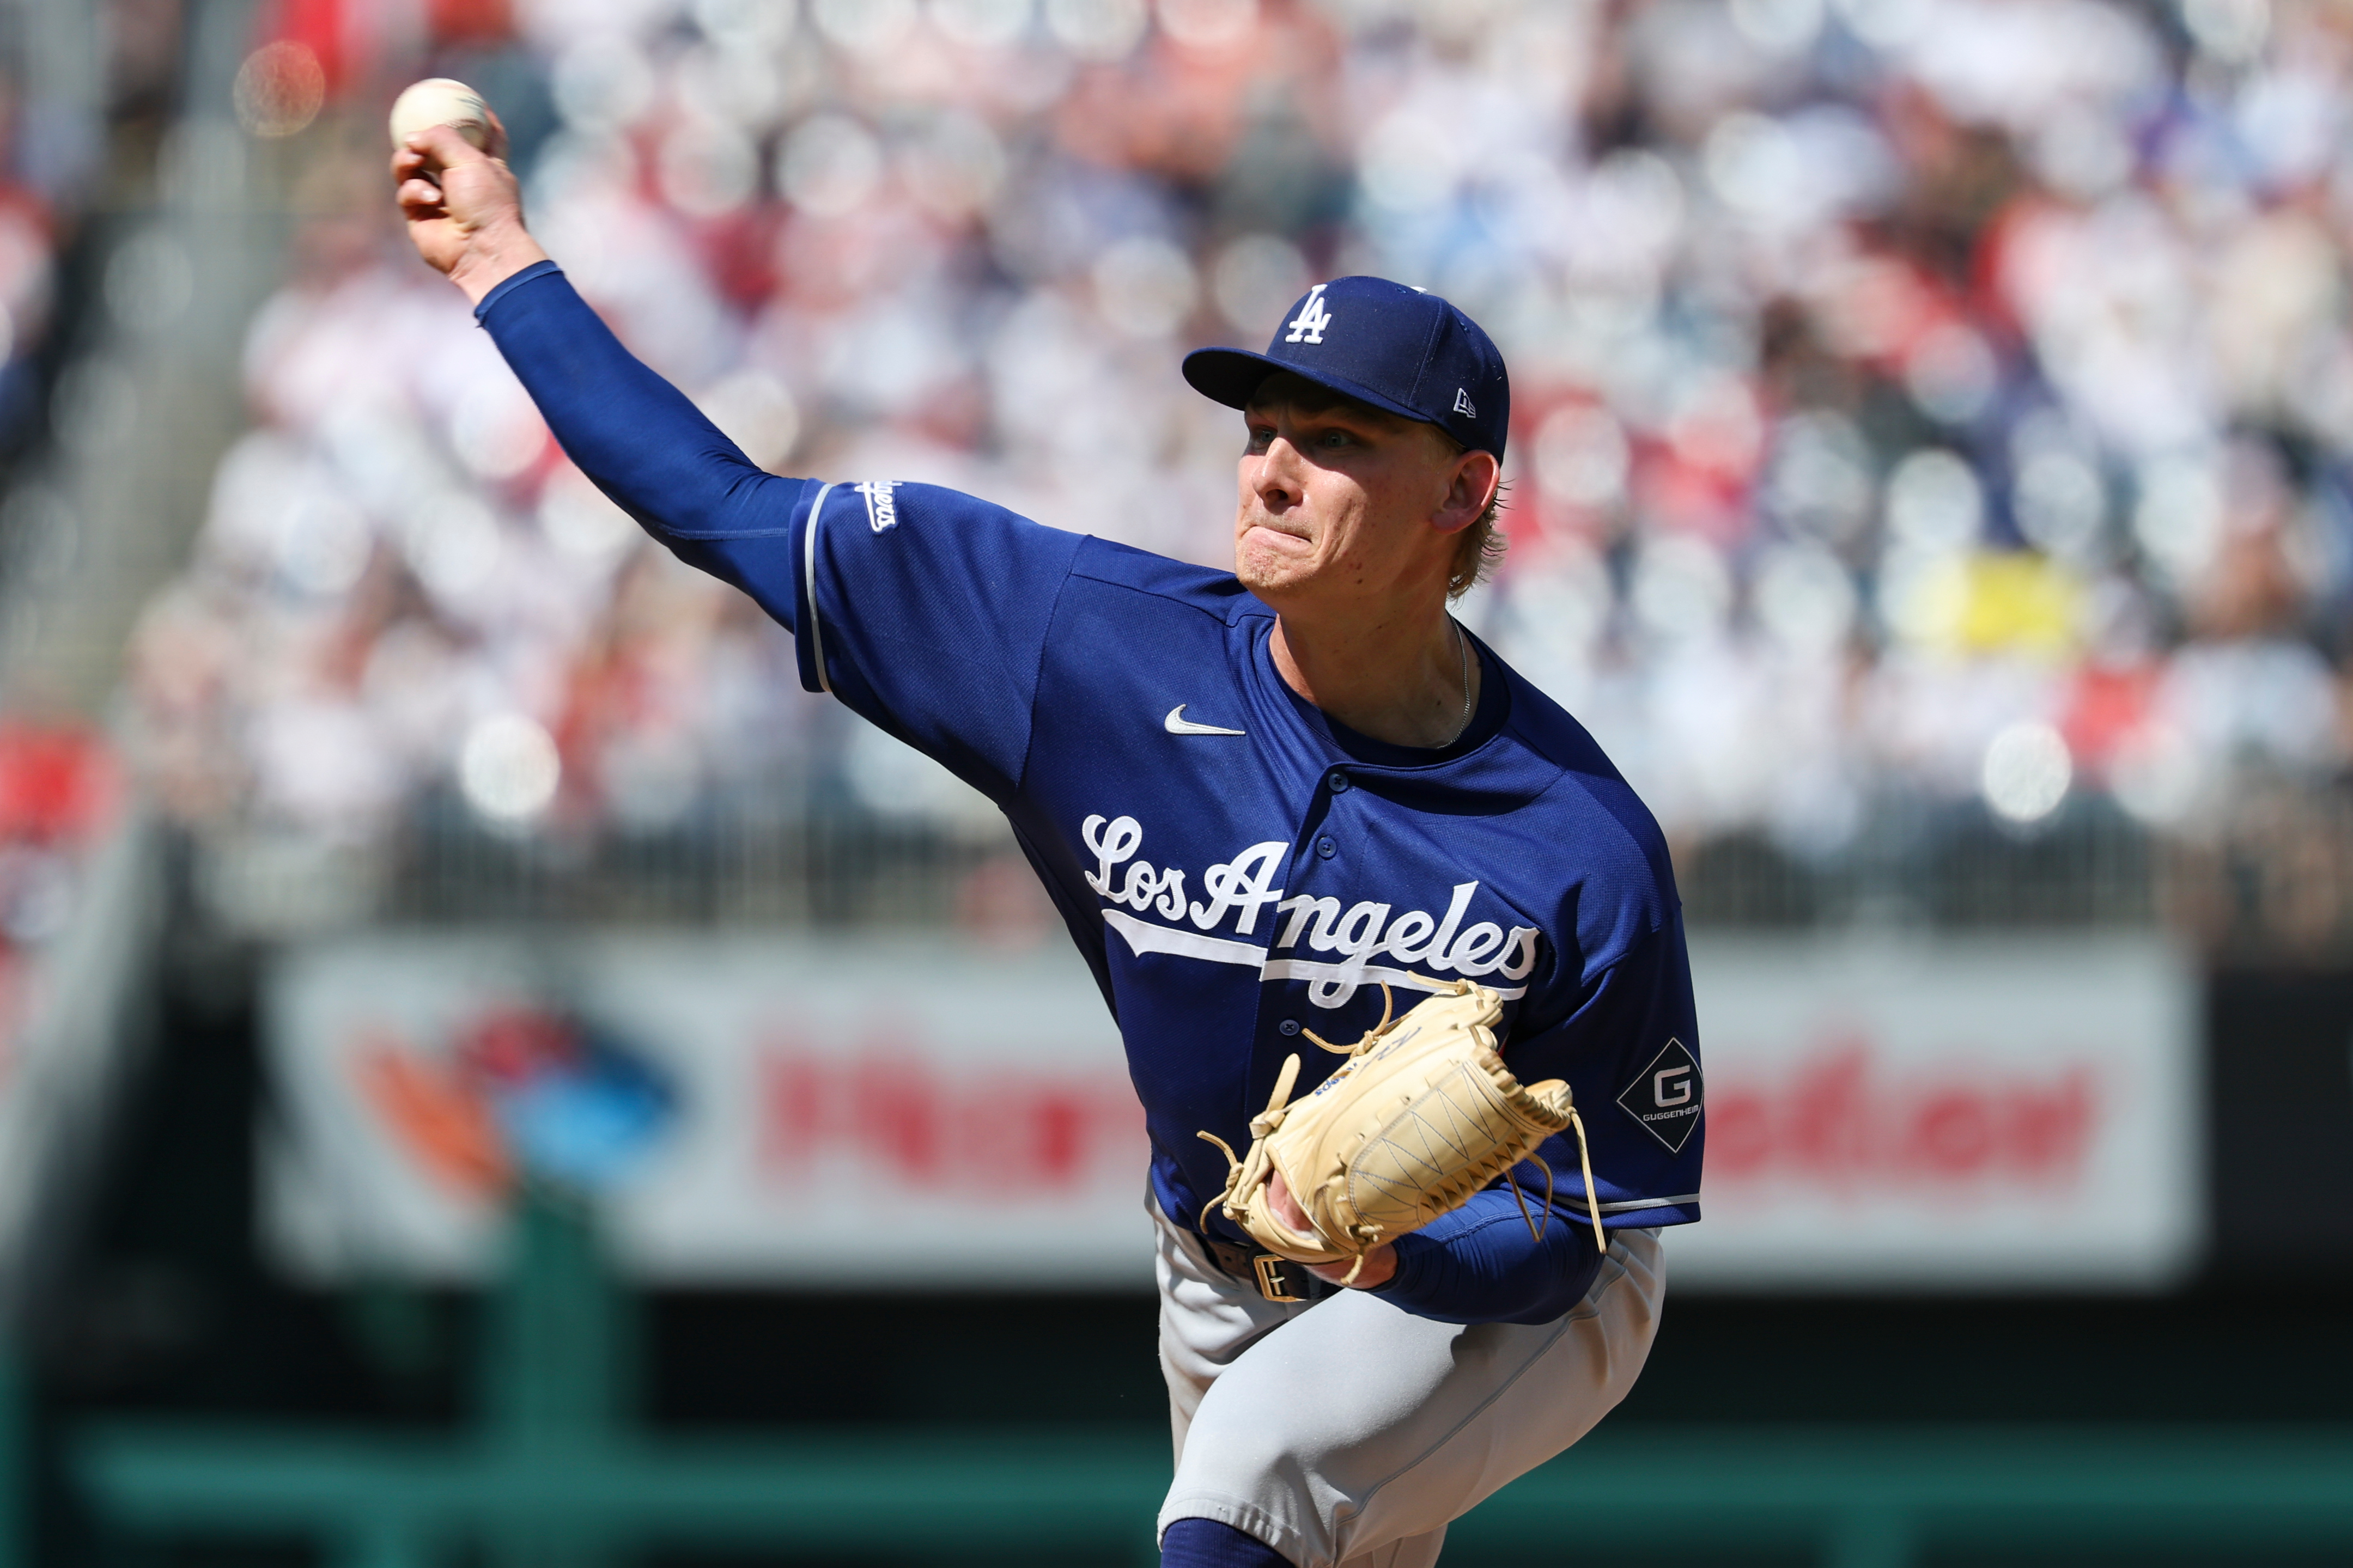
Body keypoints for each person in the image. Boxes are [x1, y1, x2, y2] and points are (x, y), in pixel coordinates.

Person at [396, 118, 1703, 1568]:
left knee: (1239, 1496)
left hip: (1507, 1300)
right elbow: (721, 507)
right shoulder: (1079, 649)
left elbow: (1579, 1222)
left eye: (1335, 442)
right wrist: (498, 258)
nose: (1270, 469)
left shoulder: (1575, 837)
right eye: (1261, 428)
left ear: (1462, 493)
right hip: (1215, 1273)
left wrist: (1397, 1246)